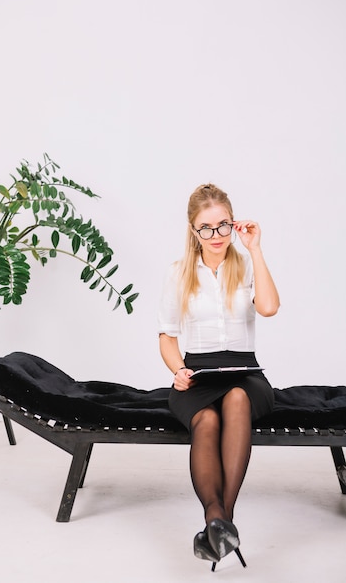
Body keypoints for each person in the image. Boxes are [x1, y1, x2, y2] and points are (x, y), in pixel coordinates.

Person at [158, 183, 280, 570]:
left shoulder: (245, 265)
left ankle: (219, 522)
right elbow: (167, 336)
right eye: (206, 228)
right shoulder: (179, 273)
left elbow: (270, 307)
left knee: (237, 398)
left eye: (223, 226)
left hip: (246, 375)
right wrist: (178, 371)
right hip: (198, 376)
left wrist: (255, 248)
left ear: (233, 224)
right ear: (193, 231)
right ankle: (220, 524)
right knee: (207, 419)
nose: (216, 236)